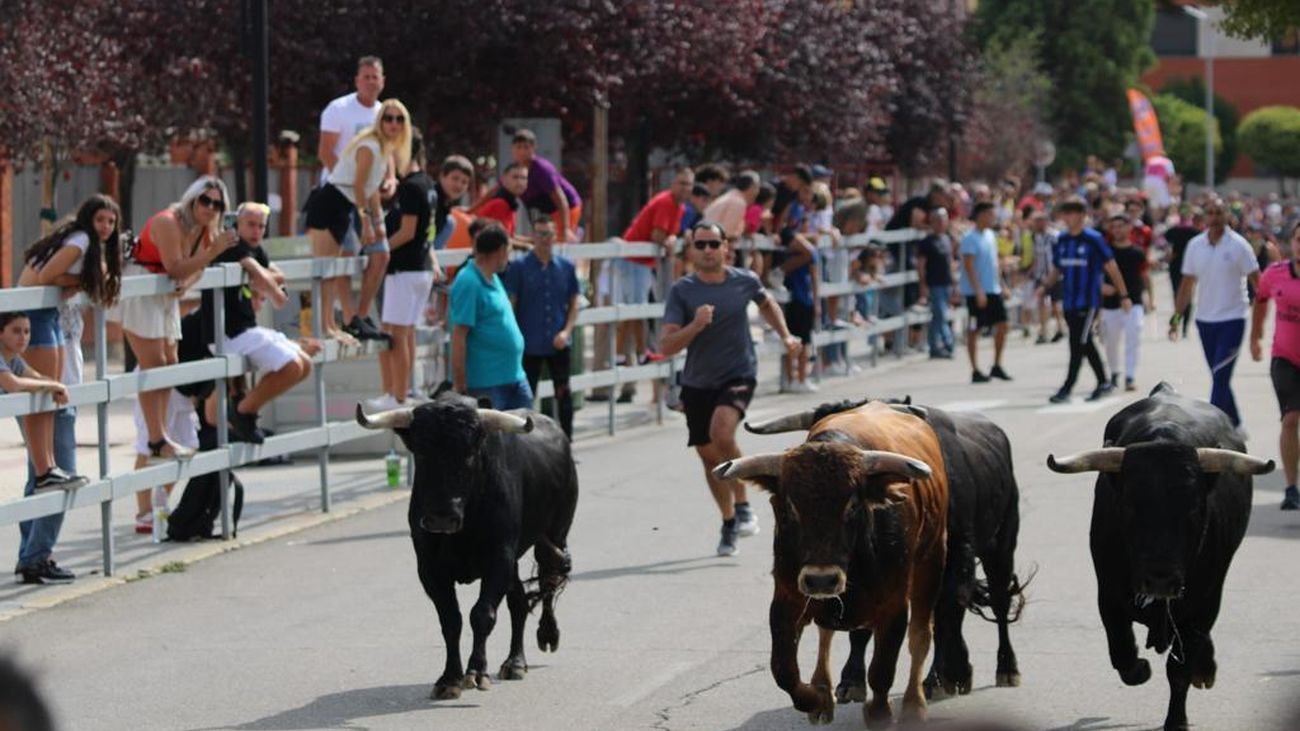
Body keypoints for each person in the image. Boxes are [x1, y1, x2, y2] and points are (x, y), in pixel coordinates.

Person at [659, 221, 802, 557]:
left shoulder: (745, 281)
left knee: (722, 433)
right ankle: (728, 521)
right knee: (710, 459)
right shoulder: (683, 290)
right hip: (697, 381)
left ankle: (743, 505)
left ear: (726, 247)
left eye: (713, 244)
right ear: (692, 249)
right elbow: (666, 346)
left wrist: (785, 336)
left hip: (738, 373)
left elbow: (767, 304)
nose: (707, 250)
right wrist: (695, 325)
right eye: (701, 244)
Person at [126, 176, 237, 462]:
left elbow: (197, 268)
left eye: (217, 204)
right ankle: (155, 438)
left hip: (164, 294)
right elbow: (175, 267)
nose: (210, 208)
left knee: (170, 365)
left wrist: (187, 284)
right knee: (154, 366)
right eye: (205, 200)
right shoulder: (168, 221)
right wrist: (210, 253)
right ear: (193, 199)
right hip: (142, 288)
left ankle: (160, 435)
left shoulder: (206, 230)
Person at [200, 203, 314, 441]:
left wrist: (267, 283)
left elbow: (275, 273)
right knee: (292, 366)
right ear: (238, 224)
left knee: (304, 364)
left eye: (261, 226)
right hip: (227, 334)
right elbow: (259, 273)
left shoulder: (256, 249)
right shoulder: (232, 245)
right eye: (251, 225)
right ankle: (244, 411)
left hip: (246, 331)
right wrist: (275, 293)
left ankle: (245, 407)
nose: (256, 231)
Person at [304, 98, 412, 346]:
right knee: (325, 270)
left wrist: (377, 223)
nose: (393, 124)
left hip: (343, 206)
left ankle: (331, 324)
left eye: (399, 119)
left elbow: (371, 189)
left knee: (332, 269)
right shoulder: (370, 145)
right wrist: (365, 221)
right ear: (380, 120)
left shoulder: (384, 149)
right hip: (329, 202)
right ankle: (323, 326)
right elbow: (359, 185)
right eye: (388, 118)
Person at [316, 55, 394, 344]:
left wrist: (390, 178)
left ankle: (359, 314)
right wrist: (350, 185)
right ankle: (347, 315)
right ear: (357, 80)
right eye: (366, 77)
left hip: (369, 194)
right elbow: (326, 152)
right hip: (340, 196)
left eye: (376, 76)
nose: (371, 82)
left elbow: (389, 151)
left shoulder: (384, 113)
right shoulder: (338, 109)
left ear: (383, 81)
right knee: (346, 254)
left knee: (380, 253)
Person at [1171, 197, 1261, 434]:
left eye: (1219, 212)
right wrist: (1176, 318)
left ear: (1227, 216)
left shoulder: (1239, 245)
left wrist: (1261, 319)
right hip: (1205, 321)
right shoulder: (1195, 246)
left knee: (1220, 377)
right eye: (1210, 212)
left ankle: (1210, 429)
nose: (1215, 216)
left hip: (1233, 319)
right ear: (1204, 217)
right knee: (1218, 376)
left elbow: (1258, 281)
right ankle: (1237, 425)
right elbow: (1186, 284)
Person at [2, 312, 78, 584]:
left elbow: (30, 375)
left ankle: (32, 559)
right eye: (15, 331)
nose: (23, 337)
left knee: (41, 477)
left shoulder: (14, 359)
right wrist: (52, 383)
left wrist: (50, 384)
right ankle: (34, 558)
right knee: (48, 476)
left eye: (27, 332)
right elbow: (13, 384)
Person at [370, 132, 443, 410]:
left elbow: (408, 231)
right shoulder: (427, 183)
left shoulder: (412, 186)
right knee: (405, 331)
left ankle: (396, 395)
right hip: (419, 269)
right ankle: (405, 390)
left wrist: (379, 249)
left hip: (405, 269)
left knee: (395, 333)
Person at [1038, 198, 1132, 403]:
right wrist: (1044, 287)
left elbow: (1111, 267)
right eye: (1065, 213)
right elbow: (1057, 268)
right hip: (1069, 300)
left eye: (1072, 213)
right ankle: (1103, 381)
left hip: (1088, 301)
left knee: (1077, 342)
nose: (1068, 218)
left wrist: (1123, 295)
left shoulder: (1093, 239)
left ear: (1082, 215)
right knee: (1084, 342)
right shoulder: (1062, 239)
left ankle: (1067, 387)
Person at [612, 166, 693, 386]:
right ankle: (626, 354)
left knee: (637, 309)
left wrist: (674, 237)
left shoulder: (680, 206)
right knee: (632, 310)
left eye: (688, 184)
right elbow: (658, 235)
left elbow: (668, 234)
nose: (685, 188)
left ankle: (639, 352)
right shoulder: (667, 201)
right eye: (681, 183)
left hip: (642, 262)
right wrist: (669, 240)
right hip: (633, 259)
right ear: (673, 184)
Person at [504, 215, 580, 438]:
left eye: (548, 234)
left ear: (555, 236)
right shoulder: (519, 267)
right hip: (530, 342)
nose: (544, 239)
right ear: (533, 236)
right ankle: (526, 442)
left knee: (563, 393)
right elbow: (511, 304)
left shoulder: (566, 267)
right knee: (527, 395)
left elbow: (575, 301)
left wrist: (567, 331)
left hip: (558, 340)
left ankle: (567, 442)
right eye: (539, 233)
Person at [449, 225, 531, 409]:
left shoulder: (492, 277)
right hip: (486, 385)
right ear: (501, 251)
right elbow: (459, 335)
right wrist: (460, 385)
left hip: (515, 377)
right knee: (493, 437)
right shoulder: (468, 281)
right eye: (508, 251)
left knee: (526, 435)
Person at [1251, 220, 1300, 509]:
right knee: (1291, 419)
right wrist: (1255, 337)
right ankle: (1291, 488)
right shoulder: (1275, 273)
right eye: (1298, 239)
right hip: (1285, 358)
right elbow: (1261, 302)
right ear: (1291, 243)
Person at [1099, 215, 1154, 392]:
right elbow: (1096, 275)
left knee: (1134, 337)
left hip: (1134, 302)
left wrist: (1151, 299)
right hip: (1110, 304)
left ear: (1129, 228)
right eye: (1113, 227)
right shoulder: (1106, 251)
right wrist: (1102, 287)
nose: (1117, 230)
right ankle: (1115, 373)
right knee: (1110, 342)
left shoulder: (1137, 252)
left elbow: (1146, 276)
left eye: (1120, 226)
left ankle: (1130, 376)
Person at [960, 202, 1012, 383]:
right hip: (976, 292)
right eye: (990, 214)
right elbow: (968, 266)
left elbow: (994, 263)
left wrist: (1003, 285)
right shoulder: (969, 238)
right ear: (981, 215)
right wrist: (978, 291)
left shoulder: (990, 235)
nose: (993, 218)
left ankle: (996, 365)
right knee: (974, 329)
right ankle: (975, 369)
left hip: (993, 288)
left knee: (1003, 325)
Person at [511, 128, 582, 242]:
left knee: (558, 243)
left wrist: (565, 228)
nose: (522, 151)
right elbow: (497, 190)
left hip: (566, 208)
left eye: (526, 147)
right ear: (513, 149)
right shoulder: (514, 170)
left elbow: (560, 198)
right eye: (518, 147)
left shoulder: (542, 169)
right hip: (544, 212)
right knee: (542, 242)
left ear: (534, 148)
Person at [915, 207, 956, 359]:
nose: (941, 223)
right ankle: (944, 344)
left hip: (945, 283)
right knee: (940, 315)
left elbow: (950, 262)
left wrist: (953, 283)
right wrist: (923, 286)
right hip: (934, 283)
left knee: (941, 316)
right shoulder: (926, 242)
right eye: (937, 220)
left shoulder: (946, 239)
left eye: (943, 220)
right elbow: (921, 266)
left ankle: (940, 344)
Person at [477, 163, 527, 238]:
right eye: (515, 177)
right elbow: (501, 240)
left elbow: (511, 236)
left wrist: (533, 241)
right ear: (504, 180)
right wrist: (528, 245)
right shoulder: (500, 203)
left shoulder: (510, 202)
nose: (520, 182)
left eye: (524, 178)